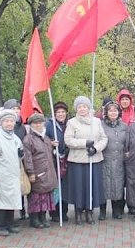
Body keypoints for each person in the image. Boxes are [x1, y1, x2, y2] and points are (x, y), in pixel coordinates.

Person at [64, 96, 108, 225]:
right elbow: (68, 140)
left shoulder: (97, 121)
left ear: (88, 108)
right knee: (79, 187)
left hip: (93, 160)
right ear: (76, 109)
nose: (82, 109)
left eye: (84, 106)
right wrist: (85, 143)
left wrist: (96, 148)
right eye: (79, 107)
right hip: (77, 161)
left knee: (91, 186)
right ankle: (78, 212)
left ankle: (89, 212)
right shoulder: (72, 122)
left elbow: (103, 138)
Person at [23, 113, 59, 229]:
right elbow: (27, 158)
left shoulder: (46, 137)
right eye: (35, 123)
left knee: (46, 196)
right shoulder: (28, 139)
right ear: (31, 125)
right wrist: (31, 172)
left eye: (40, 122)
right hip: (37, 171)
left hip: (48, 171)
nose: (38, 125)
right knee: (36, 197)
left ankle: (43, 217)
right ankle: (34, 219)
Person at [100, 101, 127, 220]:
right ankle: (102, 211)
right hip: (104, 159)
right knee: (104, 185)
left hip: (120, 160)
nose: (113, 113)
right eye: (110, 110)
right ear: (106, 112)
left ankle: (117, 210)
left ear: (119, 112)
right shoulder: (100, 125)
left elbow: (127, 142)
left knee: (118, 184)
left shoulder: (124, 127)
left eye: (115, 110)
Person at [3, 98, 29, 219]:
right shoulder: (1, 126)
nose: (16, 111)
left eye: (17, 109)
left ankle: (22, 210)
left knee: (21, 186)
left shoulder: (21, 126)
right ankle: (9, 215)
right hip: (7, 164)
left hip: (20, 161)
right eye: (13, 109)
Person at [46, 101, 70, 222]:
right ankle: (54, 212)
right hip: (54, 160)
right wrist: (50, 142)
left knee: (65, 187)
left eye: (63, 112)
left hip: (67, 158)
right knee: (55, 186)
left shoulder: (69, 124)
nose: (61, 114)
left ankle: (64, 211)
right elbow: (43, 138)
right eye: (58, 112)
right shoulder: (49, 124)